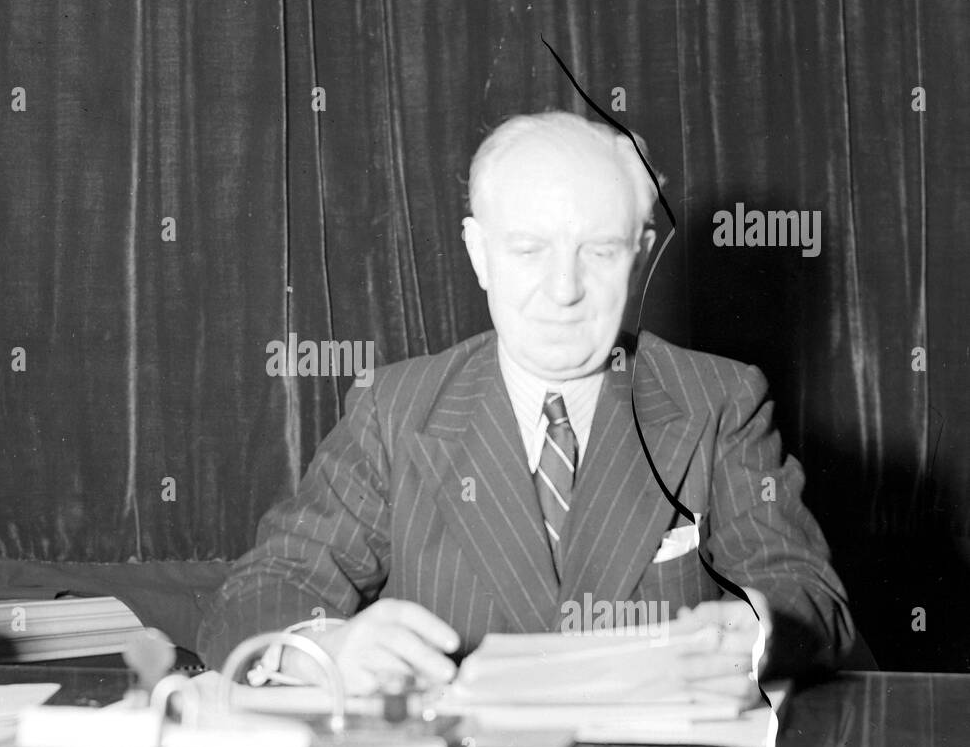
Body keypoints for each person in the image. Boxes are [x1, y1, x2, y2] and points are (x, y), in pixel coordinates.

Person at [197, 111, 857, 696]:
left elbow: (807, 593)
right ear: (479, 254)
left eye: (598, 251)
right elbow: (264, 588)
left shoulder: (720, 400)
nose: (564, 288)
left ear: (641, 255)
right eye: (528, 250)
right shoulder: (395, 409)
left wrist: (758, 630)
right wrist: (320, 651)